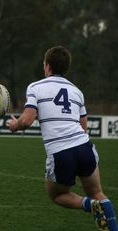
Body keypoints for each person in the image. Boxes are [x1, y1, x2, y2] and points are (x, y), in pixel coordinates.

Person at [7, 46, 118, 231]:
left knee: (57, 195)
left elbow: (26, 120)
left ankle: (89, 205)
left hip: (60, 151)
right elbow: (84, 125)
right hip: (84, 146)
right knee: (98, 193)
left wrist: (15, 125)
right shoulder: (77, 91)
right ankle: (107, 215)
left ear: (47, 66)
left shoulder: (35, 87)